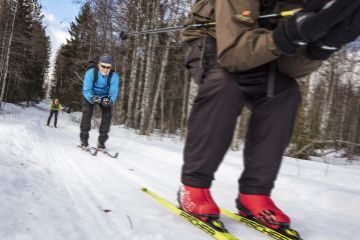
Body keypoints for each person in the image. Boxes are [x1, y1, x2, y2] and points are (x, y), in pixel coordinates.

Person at [178, 0, 360, 231]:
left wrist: (321, 45)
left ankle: (254, 194)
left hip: (255, 45)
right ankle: (194, 186)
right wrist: (290, 34)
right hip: (211, 39)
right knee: (224, 84)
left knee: (285, 93)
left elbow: (290, 69)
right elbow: (233, 55)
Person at [80, 54, 120, 149]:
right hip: (91, 94)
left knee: (107, 114)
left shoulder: (114, 77)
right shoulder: (90, 73)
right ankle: (84, 139)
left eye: (108, 67)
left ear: (111, 67)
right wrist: (92, 98)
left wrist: (110, 100)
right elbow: (86, 89)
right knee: (87, 113)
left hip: (105, 96)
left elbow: (113, 93)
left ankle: (101, 142)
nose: (105, 69)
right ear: (98, 65)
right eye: (103, 66)